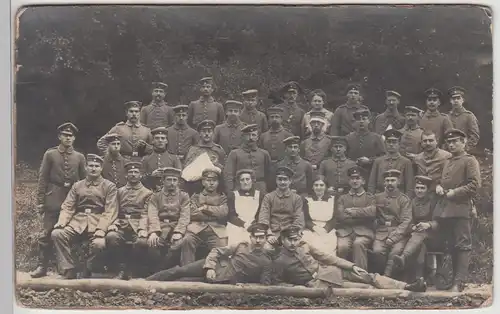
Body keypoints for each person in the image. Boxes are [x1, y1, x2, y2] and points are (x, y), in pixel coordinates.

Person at [269, 226, 426, 292]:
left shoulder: (305, 246)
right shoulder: (279, 260)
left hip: (331, 271)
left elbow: (328, 257)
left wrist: (351, 266)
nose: (293, 243)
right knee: (364, 289)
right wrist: (296, 288)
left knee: (368, 276)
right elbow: (276, 282)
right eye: (289, 239)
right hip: (319, 284)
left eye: (296, 239)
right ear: (282, 240)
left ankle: (407, 287)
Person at [30, 123, 86, 278]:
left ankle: (69, 267)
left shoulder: (79, 157)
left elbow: (84, 181)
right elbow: (43, 179)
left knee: (69, 233)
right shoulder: (50, 154)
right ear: (59, 137)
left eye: (71, 136)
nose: (68, 138)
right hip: (53, 197)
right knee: (46, 233)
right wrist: (41, 201)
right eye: (65, 135)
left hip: (73, 199)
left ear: (74, 138)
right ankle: (42, 267)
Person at [51, 154, 118, 279]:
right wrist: (62, 221)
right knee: (57, 234)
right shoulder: (77, 185)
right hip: (78, 221)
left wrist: (101, 229)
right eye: (91, 166)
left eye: (96, 166)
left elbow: (110, 210)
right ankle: (69, 268)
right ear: (86, 168)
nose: (93, 168)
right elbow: (68, 206)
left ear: (101, 168)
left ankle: (88, 267)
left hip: (98, 220)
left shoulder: (109, 186)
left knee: (99, 243)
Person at [146, 223, 273, 284]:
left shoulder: (266, 260)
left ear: (266, 239)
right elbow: (216, 250)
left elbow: (264, 282)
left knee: (183, 281)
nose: (258, 240)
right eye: (255, 237)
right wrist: (210, 267)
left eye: (261, 237)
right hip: (214, 266)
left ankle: (153, 285)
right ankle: (145, 282)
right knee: (179, 271)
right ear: (250, 237)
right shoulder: (241, 245)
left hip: (224, 280)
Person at [433, 129, 481, 292]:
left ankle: (459, 281)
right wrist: (439, 186)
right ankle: (453, 280)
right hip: (446, 210)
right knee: (452, 245)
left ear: (464, 142)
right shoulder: (448, 161)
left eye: (455, 141)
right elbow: (445, 181)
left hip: (461, 209)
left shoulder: (470, 160)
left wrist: (455, 192)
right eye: (449, 142)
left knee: (463, 245)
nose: (451, 145)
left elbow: (474, 185)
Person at [104, 161, 152, 280]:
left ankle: (132, 270)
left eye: (136, 172)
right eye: (130, 172)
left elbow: (146, 213)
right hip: (121, 224)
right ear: (126, 175)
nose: (133, 174)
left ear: (141, 175)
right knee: (111, 237)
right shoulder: (119, 191)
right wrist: (113, 223)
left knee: (141, 242)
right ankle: (119, 269)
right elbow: (114, 209)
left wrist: (142, 229)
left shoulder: (147, 193)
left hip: (138, 225)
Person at [180, 167, 229, 265]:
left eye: (214, 181)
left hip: (216, 229)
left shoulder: (222, 197)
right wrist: (214, 215)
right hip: (196, 228)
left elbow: (223, 212)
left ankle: (218, 272)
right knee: (187, 240)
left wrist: (205, 208)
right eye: (208, 180)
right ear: (203, 182)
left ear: (218, 182)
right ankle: (187, 269)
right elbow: (193, 213)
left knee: (222, 245)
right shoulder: (196, 196)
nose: (211, 183)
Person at [393, 175, 439, 278]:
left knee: (419, 236)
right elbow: (408, 220)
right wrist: (413, 226)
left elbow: (440, 222)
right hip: (416, 236)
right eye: (417, 188)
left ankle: (404, 258)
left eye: (422, 188)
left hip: (432, 235)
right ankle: (419, 278)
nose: (419, 190)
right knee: (420, 246)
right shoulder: (412, 202)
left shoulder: (433, 202)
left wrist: (428, 224)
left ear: (427, 190)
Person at [331, 166, 375, 271]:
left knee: (358, 244)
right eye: (352, 178)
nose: (355, 181)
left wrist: (353, 211)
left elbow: (372, 212)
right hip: (345, 231)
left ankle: (361, 275)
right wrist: (363, 213)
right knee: (342, 247)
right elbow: (340, 216)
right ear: (349, 181)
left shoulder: (370, 197)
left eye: (358, 178)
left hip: (364, 231)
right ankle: (340, 274)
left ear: (363, 181)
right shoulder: (342, 198)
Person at [147, 167, 191, 271]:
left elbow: (185, 216)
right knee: (152, 243)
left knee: (179, 244)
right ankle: (154, 270)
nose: (172, 183)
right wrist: (154, 232)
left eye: (174, 180)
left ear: (178, 182)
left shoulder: (184, 196)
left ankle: (167, 270)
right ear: (163, 181)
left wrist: (179, 232)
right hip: (160, 225)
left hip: (176, 225)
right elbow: (152, 214)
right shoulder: (156, 196)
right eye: (169, 179)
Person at [372, 169, 412, 277]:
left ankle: (387, 277)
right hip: (381, 231)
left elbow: (406, 221)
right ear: (384, 182)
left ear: (398, 182)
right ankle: (378, 276)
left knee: (396, 252)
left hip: (398, 233)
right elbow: (371, 215)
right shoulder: (377, 197)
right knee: (377, 251)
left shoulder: (404, 199)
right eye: (387, 180)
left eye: (393, 180)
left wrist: (393, 238)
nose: (390, 183)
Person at [257, 166, 305, 246]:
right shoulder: (268, 197)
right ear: (276, 181)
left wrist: (291, 234)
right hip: (272, 233)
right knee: (266, 249)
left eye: (285, 179)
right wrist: (269, 234)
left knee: (301, 249)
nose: (282, 182)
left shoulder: (296, 198)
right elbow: (263, 218)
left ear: (290, 181)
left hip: (290, 233)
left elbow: (299, 219)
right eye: (280, 179)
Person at [224, 124, 272, 193]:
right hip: (240, 188)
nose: (251, 138)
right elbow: (228, 175)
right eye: (248, 135)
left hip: (260, 189)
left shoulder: (264, 154)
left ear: (257, 137)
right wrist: (230, 191)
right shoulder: (234, 153)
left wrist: (267, 190)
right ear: (242, 137)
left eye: (253, 135)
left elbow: (269, 175)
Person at [368, 129, 414, 197]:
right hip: (380, 197)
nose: (391, 144)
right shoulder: (378, 161)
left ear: (399, 144)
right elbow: (371, 184)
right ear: (385, 143)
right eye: (389, 142)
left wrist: (405, 202)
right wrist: (372, 199)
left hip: (399, 198)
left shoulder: (406, 162)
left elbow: (409, 187)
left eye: (394, 142)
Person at [226, 169, 265, 246]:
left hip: (254, 224)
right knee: (235, 243)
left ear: (252, 180)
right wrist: (243, 224)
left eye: (247, 179)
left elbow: (261, 214)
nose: (245, 182)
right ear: (239, 182)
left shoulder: (259, 195)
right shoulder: (233, 195)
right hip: (237, 225)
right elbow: (231, 215)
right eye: (242, 180)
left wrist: (253, 225)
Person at [302, 175, 337, 254]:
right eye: (316, 185)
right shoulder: (307, 200)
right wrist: (314, 228)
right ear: (312, 187)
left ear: (326, 187)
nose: (319, 187)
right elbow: (306, 219)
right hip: (312, 229)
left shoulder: (332, 199)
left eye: (321, 185)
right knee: (308, 245)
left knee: (327, 249)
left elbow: (335, 218)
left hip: (328, 230)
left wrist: (326, 229)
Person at [141, 127, 182, 191]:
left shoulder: (174, 158)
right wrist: (151, 175)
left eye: (163, 138)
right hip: (150, 191)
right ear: (153, 141)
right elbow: (140, 178)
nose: (160, 140)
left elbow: (180, 177)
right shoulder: (146, 159)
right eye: (157, 138)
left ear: (166, 141)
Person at [447, 86, 480, 152]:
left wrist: (465, 148)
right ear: (450, 101)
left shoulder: (469, 116)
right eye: (453, 98)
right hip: (449, 151)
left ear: (463, 100)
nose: (456, 100)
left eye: (458, 98)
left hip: (464, 152)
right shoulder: (447, 116)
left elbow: (474, 136)